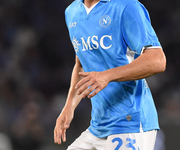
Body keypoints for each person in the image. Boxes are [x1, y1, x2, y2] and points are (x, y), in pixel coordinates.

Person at [54, 0, 166, 149]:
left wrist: (107, 76)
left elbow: (157, 60)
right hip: (99, 126)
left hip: (131, 122)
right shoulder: (72, 12)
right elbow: (81, 63)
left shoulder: (126, 6)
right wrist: (69, 106)